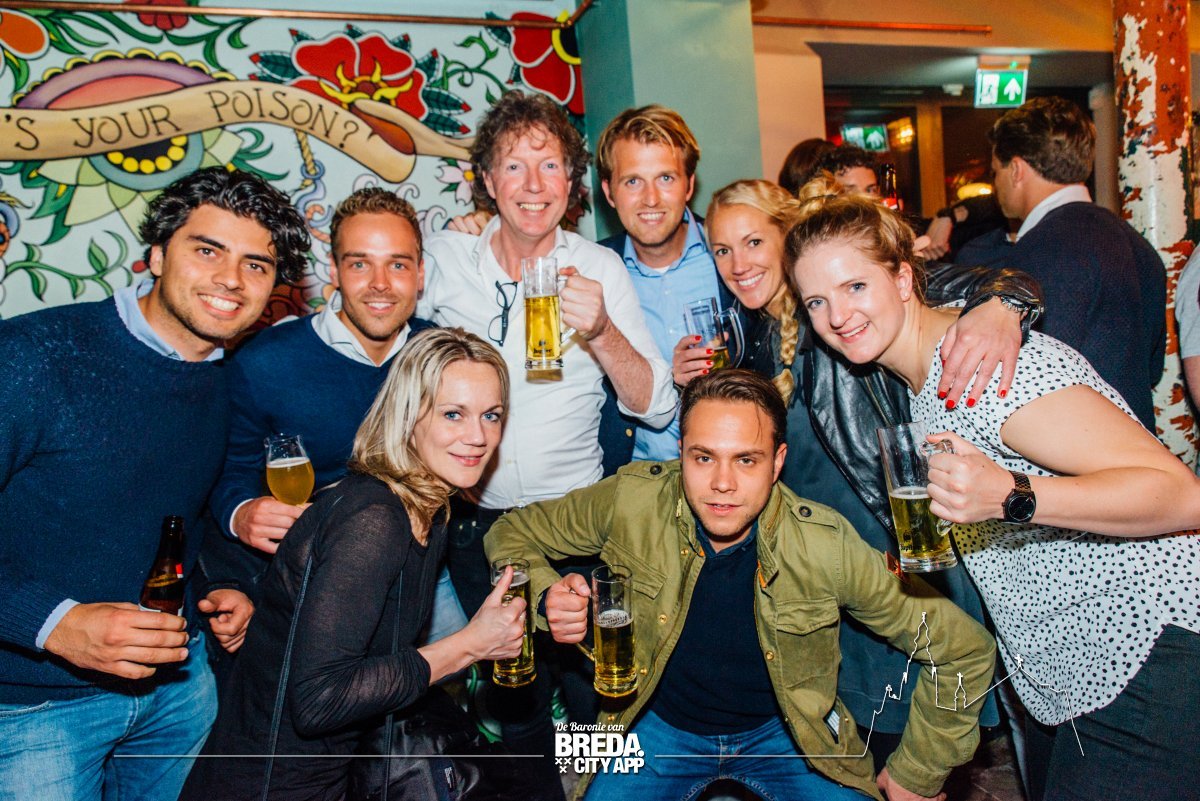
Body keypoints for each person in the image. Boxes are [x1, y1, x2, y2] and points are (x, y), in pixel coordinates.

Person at [788, 193, 1200, 801]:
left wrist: (1011, 496)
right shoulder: (924, 377)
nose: (837, 315)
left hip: (1145, 653)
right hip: (1073, 670)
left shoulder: (988, 368)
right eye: (817, 301)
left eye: (854, 286)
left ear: (902, 278)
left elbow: (1181, 495)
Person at [485, 369, 997, 801]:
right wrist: (546, 595)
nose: (722, 483)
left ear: (777, 462)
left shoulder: (824, 544)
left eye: (746, 460)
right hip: (654, 724)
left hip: (789, 734)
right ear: (681, 453)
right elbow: (511, 533)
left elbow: (963, 649)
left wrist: (918, 772)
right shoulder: (632, 499)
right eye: (703, 457)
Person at [671, 177, 1038, 769]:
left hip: (888, 552)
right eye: (721, 249)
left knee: (912, 736)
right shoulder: (749, 333)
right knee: (855, 739)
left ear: (789, 238)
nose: (739, 264)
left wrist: (1003, 305)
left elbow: (960, 282)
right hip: (826, 565)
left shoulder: (834, 312)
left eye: (754, 242)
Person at [0, 167, 310, 801]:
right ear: (158, 255)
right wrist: (52, 623)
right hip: (33, 707)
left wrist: (218, 585)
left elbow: (179, 511)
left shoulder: (228, 378)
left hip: (178, 688)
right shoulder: (31, 356)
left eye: (255, 264)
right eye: (208, 250)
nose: (231, 279)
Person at [419, 89, 675, 791]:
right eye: (514, 166)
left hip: (579, 521)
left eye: (550, 165)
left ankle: (593, 788)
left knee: (597, 689)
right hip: (479, 524)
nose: (533, 184)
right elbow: (376, 325)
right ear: (487, 179)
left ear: (572, 182)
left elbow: (657, 407)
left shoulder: (601, 268)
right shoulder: (447, 258)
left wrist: (603, 331)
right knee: (516, 693)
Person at [181, 328, 527, 801]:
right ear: (408, 416)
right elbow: (319, 699)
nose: (478, 437)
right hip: (272, 786)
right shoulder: (374, 519)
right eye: (453, 414)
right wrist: (470, 645)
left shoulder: (429, 509)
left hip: (335, 771)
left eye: (492, 415)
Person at [201, 188, 463, 668]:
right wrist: (241, 511)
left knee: (456, 685)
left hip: (424, 573)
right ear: (335, 271)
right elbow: (226, 471)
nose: (380, 284)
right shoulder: (265, 362)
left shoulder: (443, 356)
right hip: (313, 582)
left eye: (398, 264)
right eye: (360, 264)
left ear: (421, 274)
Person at [955, 96, 1165, 431]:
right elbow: (1151, 369)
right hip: (1136, 442)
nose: (996, 185)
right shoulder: (1139, 245)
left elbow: (1022, 382)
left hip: (1077, 451)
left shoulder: (1037, 251)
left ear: (1016, 170)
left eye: (996, 172)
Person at [593, 104, 731, 461]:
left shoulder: (732, 259)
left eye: (666, 178)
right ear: (609, 192)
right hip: (633, 477)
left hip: (730, 472)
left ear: (689, 185)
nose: (651, 198)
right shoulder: (594, 269)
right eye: (633, 181)